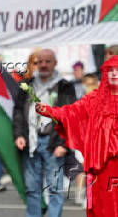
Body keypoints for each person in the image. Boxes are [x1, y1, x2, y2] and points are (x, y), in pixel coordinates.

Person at [35, 55, 118, 217]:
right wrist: (50, 111)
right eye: (110, 70)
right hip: (102, 165)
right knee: (104, 201)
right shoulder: (94, 99)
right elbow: (70, 112)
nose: (114, 74)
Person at [13, 49, 76, 217]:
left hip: (54, 143)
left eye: (47, 61)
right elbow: (18, 112)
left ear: (55, 63)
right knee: (32, 188)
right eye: (39, 62)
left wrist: (64, 144)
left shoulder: (65, 86)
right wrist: (19, 135)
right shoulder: (27, 85)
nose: (43, 65)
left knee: (55, 189)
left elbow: (71, 116)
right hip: (31, 142)